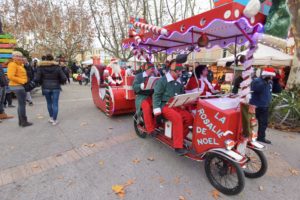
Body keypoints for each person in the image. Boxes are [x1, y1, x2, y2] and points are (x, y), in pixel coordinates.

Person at [153, 60, 194, 156]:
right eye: (178, 72)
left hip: (176, 105)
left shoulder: (179, 82)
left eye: (180, 71)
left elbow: (182, 94)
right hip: (165, 105)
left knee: (190, 118)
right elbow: (156, 95)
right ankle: (177, 146)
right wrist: (157, 110)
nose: (180, 74)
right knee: (177, 118)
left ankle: (178, 136)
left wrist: (185, 101)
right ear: (171, 71)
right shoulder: (162, 81)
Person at [35, 54, 67, 125]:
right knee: (55, 103)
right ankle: (54, 120)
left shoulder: (40, 67)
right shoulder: (57, 67)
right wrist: (59, 82)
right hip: (56, 87)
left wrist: (41, 83)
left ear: (45, 59)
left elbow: (37, 78)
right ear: (53, 59)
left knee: (49, 103)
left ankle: (51, 117)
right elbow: (64, 78)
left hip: (45, 87)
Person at [250, 67, 276, 144]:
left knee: (263, 123)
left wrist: (277, 81)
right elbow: (255, 89)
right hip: (256, 105)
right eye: (270, 76)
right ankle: (247, 136)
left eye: (272, 76)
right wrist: (264, 82)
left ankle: (261, 137)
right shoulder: (257, 81)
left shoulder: (270, 82)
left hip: (265, 106)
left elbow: (276, 90)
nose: (271, 77)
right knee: (251, 122)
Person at [7, 51, 32, 127]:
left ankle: (21, 121)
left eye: (20, 56)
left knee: (21, 104)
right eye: (16, 56)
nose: (19, 57)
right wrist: (23, 81)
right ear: (13, 57)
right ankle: (24, 122)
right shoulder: (12, 64)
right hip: (17, 86)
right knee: (22, 104)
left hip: (19, 86)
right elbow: (10, 76)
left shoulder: (20, 65)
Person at [133, 62, 157, 135]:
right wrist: (141, 85)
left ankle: (156, 124)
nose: (153, 70)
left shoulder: (154, 76)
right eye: (151, 69)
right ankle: (150, 129)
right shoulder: (139, 76)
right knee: (147, 108)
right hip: (141, 97)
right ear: (147, 69)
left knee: (158, 106)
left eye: (153, 69)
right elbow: (134, 87)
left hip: (152, 96)